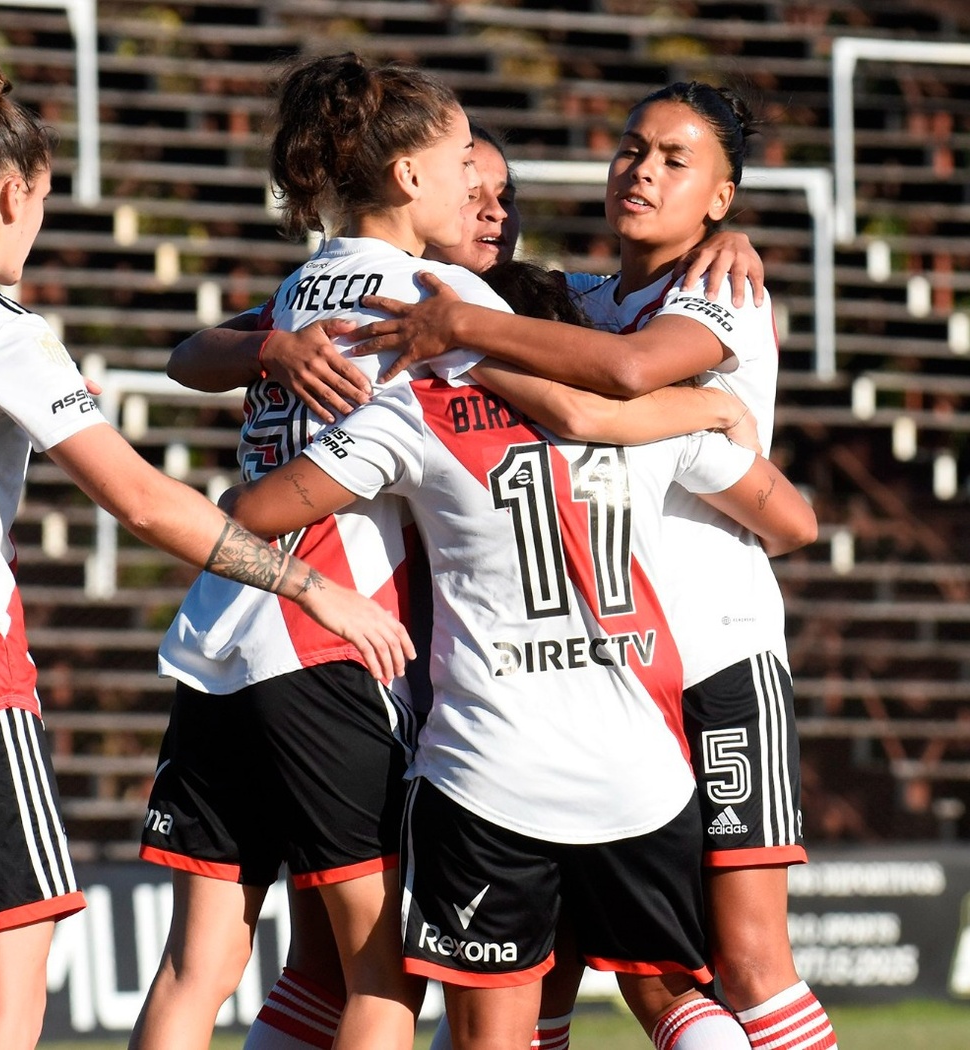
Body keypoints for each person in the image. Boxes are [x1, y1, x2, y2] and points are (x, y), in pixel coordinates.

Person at [0, 47, 412, 1050]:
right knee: (9, 1004)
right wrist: (307, 582)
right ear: (12, 193)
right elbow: (138, 499)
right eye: (41, 204)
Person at [165, 118, 766, 1050]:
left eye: (506, 194)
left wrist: (268, 353)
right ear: (414, 183)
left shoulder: (387, 318)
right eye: (469, 182)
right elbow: (768, 500)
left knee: (288, 971)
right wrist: (709, 405)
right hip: (568, 704)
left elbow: (204, 394)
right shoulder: (465, 326)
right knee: (655, 993)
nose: (491, 206)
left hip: (338, 676)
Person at [348, 81, 838, 1050]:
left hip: (718, 659)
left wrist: (463, 332)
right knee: (557, 964)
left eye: (674, 160)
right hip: (605, 680)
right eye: (631, 149)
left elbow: (619, 378)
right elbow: (519, 301)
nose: (642, 171)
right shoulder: (588, 302)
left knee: (739, 963)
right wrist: (284, 331)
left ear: (722, 199)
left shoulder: (721, 296)